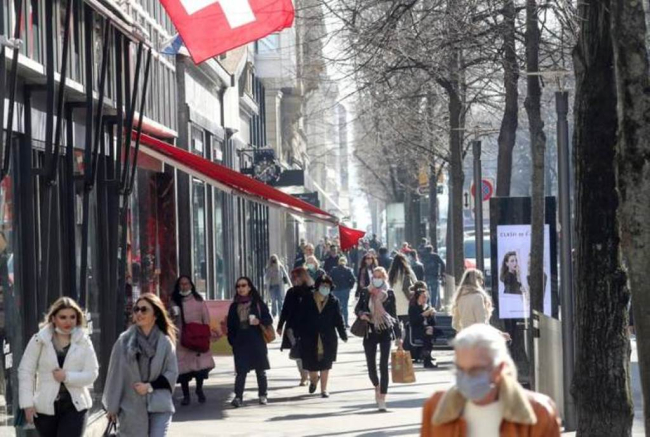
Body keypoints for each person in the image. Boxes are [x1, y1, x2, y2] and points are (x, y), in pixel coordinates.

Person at [420, 324, 561, 436]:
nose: (466, 377)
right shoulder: (435, 407)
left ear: (500, 368)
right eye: (460, 369)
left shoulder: (539, 412)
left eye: (476, 370)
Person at [18, 297, 98, 437]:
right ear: (53, 318)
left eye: (72, 317)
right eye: (63, 317)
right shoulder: (39, 339)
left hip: (76, 405)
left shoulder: (84, 340)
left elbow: (92, 373)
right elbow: (26, 371)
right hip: (45, 407)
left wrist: (67, 377)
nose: (68, 322)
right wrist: (27, 404)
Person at [103, 293, 179, 437]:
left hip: (159, 404)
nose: (139, 313)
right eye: (136, 309)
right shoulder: (123, 341)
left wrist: (149, 387)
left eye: (144, 310)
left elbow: (172, 373)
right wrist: (112, 407)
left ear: (155, 315)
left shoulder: (165, 342)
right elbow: (115, 375)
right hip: (131, 406)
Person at [355, 267, 401, 411]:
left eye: (380, 276)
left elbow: (394, 315)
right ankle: (376, 385)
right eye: (375, 276)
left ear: (384, 278)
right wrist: (361, 314)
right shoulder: (365, 292)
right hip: (370, 330)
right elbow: (357, 308)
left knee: (383, 365)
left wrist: (399, 337)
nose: (377, 279)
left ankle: (382, 398)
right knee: (371, 366)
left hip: (385, 330)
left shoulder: (389, 293)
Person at [296, 275, 348, 398]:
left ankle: (324, 390)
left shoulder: (334, 301)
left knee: (326, 364)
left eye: (328, 286)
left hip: (328, 337)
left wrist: (343, 334)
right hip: (310, 336)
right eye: (323, 285)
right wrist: (298, 333)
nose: (325, 288)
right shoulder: (307, 299)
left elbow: (338, 319)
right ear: (318, 286)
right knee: (311, 365)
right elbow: (300, 317)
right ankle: (314, 379)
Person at [227, 277, 273, 407]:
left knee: (260, 370)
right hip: (241, 341)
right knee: (241, 371)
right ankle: (238, 397)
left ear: (249, 287)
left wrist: (259, 321)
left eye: (243, 285)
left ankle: (263, 395)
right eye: (238, 286)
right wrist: (233, 341)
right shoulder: (234, 306)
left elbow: (268, 319)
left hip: (256, 339)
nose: (241, 288)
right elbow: (230, 326)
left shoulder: (257, 303)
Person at [170, 275, 215, 406]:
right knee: (183, 369)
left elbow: (206, 319)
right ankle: (186, 396)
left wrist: (206, 334)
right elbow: (170, 320)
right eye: (181, 284)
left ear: (191, 285)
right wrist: (172, 314)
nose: (184, 286)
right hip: (182, 339)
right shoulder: (174, 301)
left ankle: (199, 389)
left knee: (199, 367)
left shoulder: (198, 300)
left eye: (186, 283)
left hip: (197, 337)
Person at [277, 267, 313, 386]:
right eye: (292, 278)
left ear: (303, 277)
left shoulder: (312, 291)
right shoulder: (291, 292)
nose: (294, 280)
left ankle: (310, 373)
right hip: (292, 328)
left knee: (307, 351)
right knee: (297, 351)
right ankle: (303, 376)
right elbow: (285, 310)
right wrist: (280, 325)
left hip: (308, 327)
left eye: (296, 277)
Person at [408, 285, 438, 369]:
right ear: (418, 298)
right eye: (423, 297)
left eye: (426, 297)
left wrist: (432, 315)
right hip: (417, 330)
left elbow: (434, 323)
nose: (425, 299)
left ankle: (426, 359)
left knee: (429, 332)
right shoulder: (413, 308)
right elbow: (413, 322)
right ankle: (427, 361)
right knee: (428, 334)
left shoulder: (428, 307)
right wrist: (423, 315)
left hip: (428, 330)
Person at [388, 252, 417, 327]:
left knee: (396, 327)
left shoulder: (391, 273)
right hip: (406, 302)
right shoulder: (408, 271)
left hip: (394, 303)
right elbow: (415, 283)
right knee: (407, 326)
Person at [329, 257, 356, 328]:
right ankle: (346, 323)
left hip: (336, 290)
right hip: (345, 290)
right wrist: (350, 287)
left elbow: (329, 278)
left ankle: (335, 323)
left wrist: (332, 287)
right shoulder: (348, 270)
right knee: (344, 307)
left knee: (336, 307)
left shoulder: (334, 270)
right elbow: (353, 279)